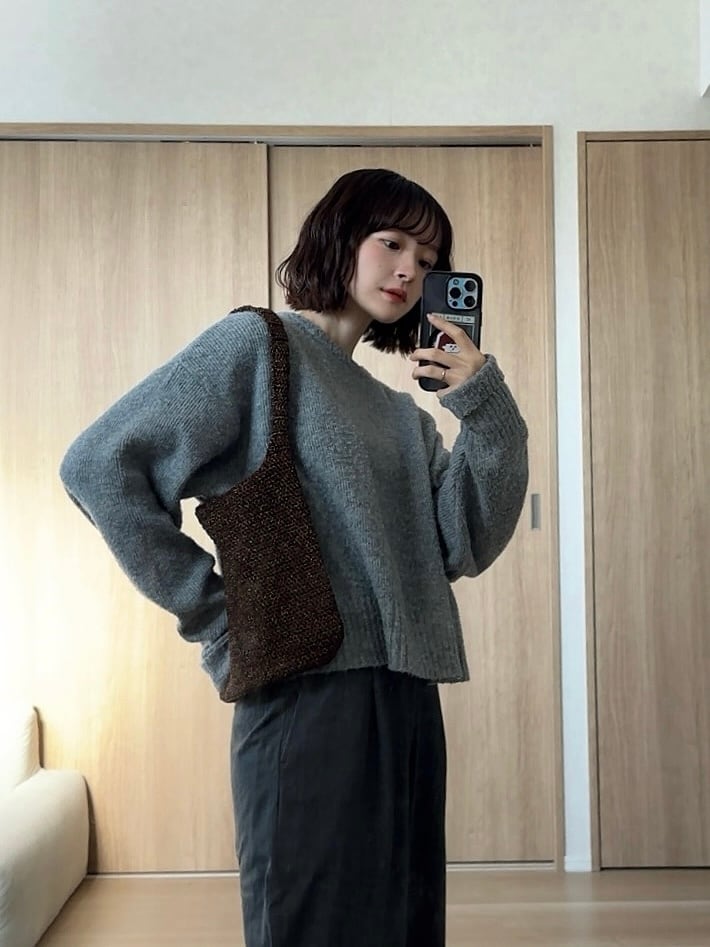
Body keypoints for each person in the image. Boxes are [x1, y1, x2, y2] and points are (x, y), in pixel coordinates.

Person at [59, 167, 529, 947]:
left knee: (407, 926)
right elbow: (99, 465)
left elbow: (467, 541)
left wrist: (482, 406)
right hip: (307, 699)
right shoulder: (257, 347)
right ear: (340, 237)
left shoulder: (401, 416)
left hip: (409, 700)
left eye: (427, 258)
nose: (409, 269)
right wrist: (219, 619)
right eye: (391, 242)